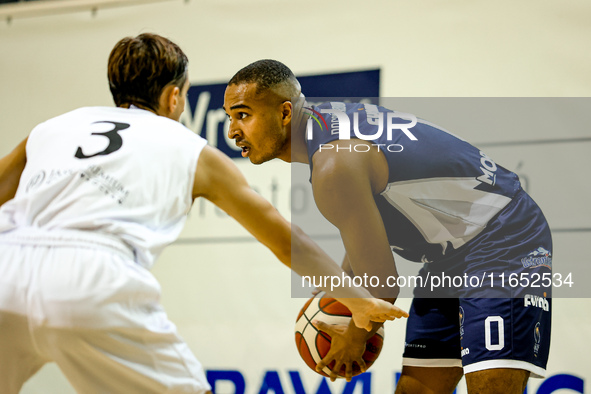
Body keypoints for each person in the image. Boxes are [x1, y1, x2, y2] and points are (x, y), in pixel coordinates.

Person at [0, 34, 407, 394]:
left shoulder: (51, 128)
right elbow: (286, 240)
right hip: (92, 280)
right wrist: (357, 300)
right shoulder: (187, 147)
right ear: (173, 96)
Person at [223, 59, 553, 392]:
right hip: (450, 255)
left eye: (243, 115)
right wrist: (342, 288)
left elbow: (382, 285)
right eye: (230, 117)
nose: (232, 131)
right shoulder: (327, 126)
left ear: (284, 113)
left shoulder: (333, 164)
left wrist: (353, 337)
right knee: (416, 388)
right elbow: (368, 233)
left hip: (505, 236)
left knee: (491, 386)